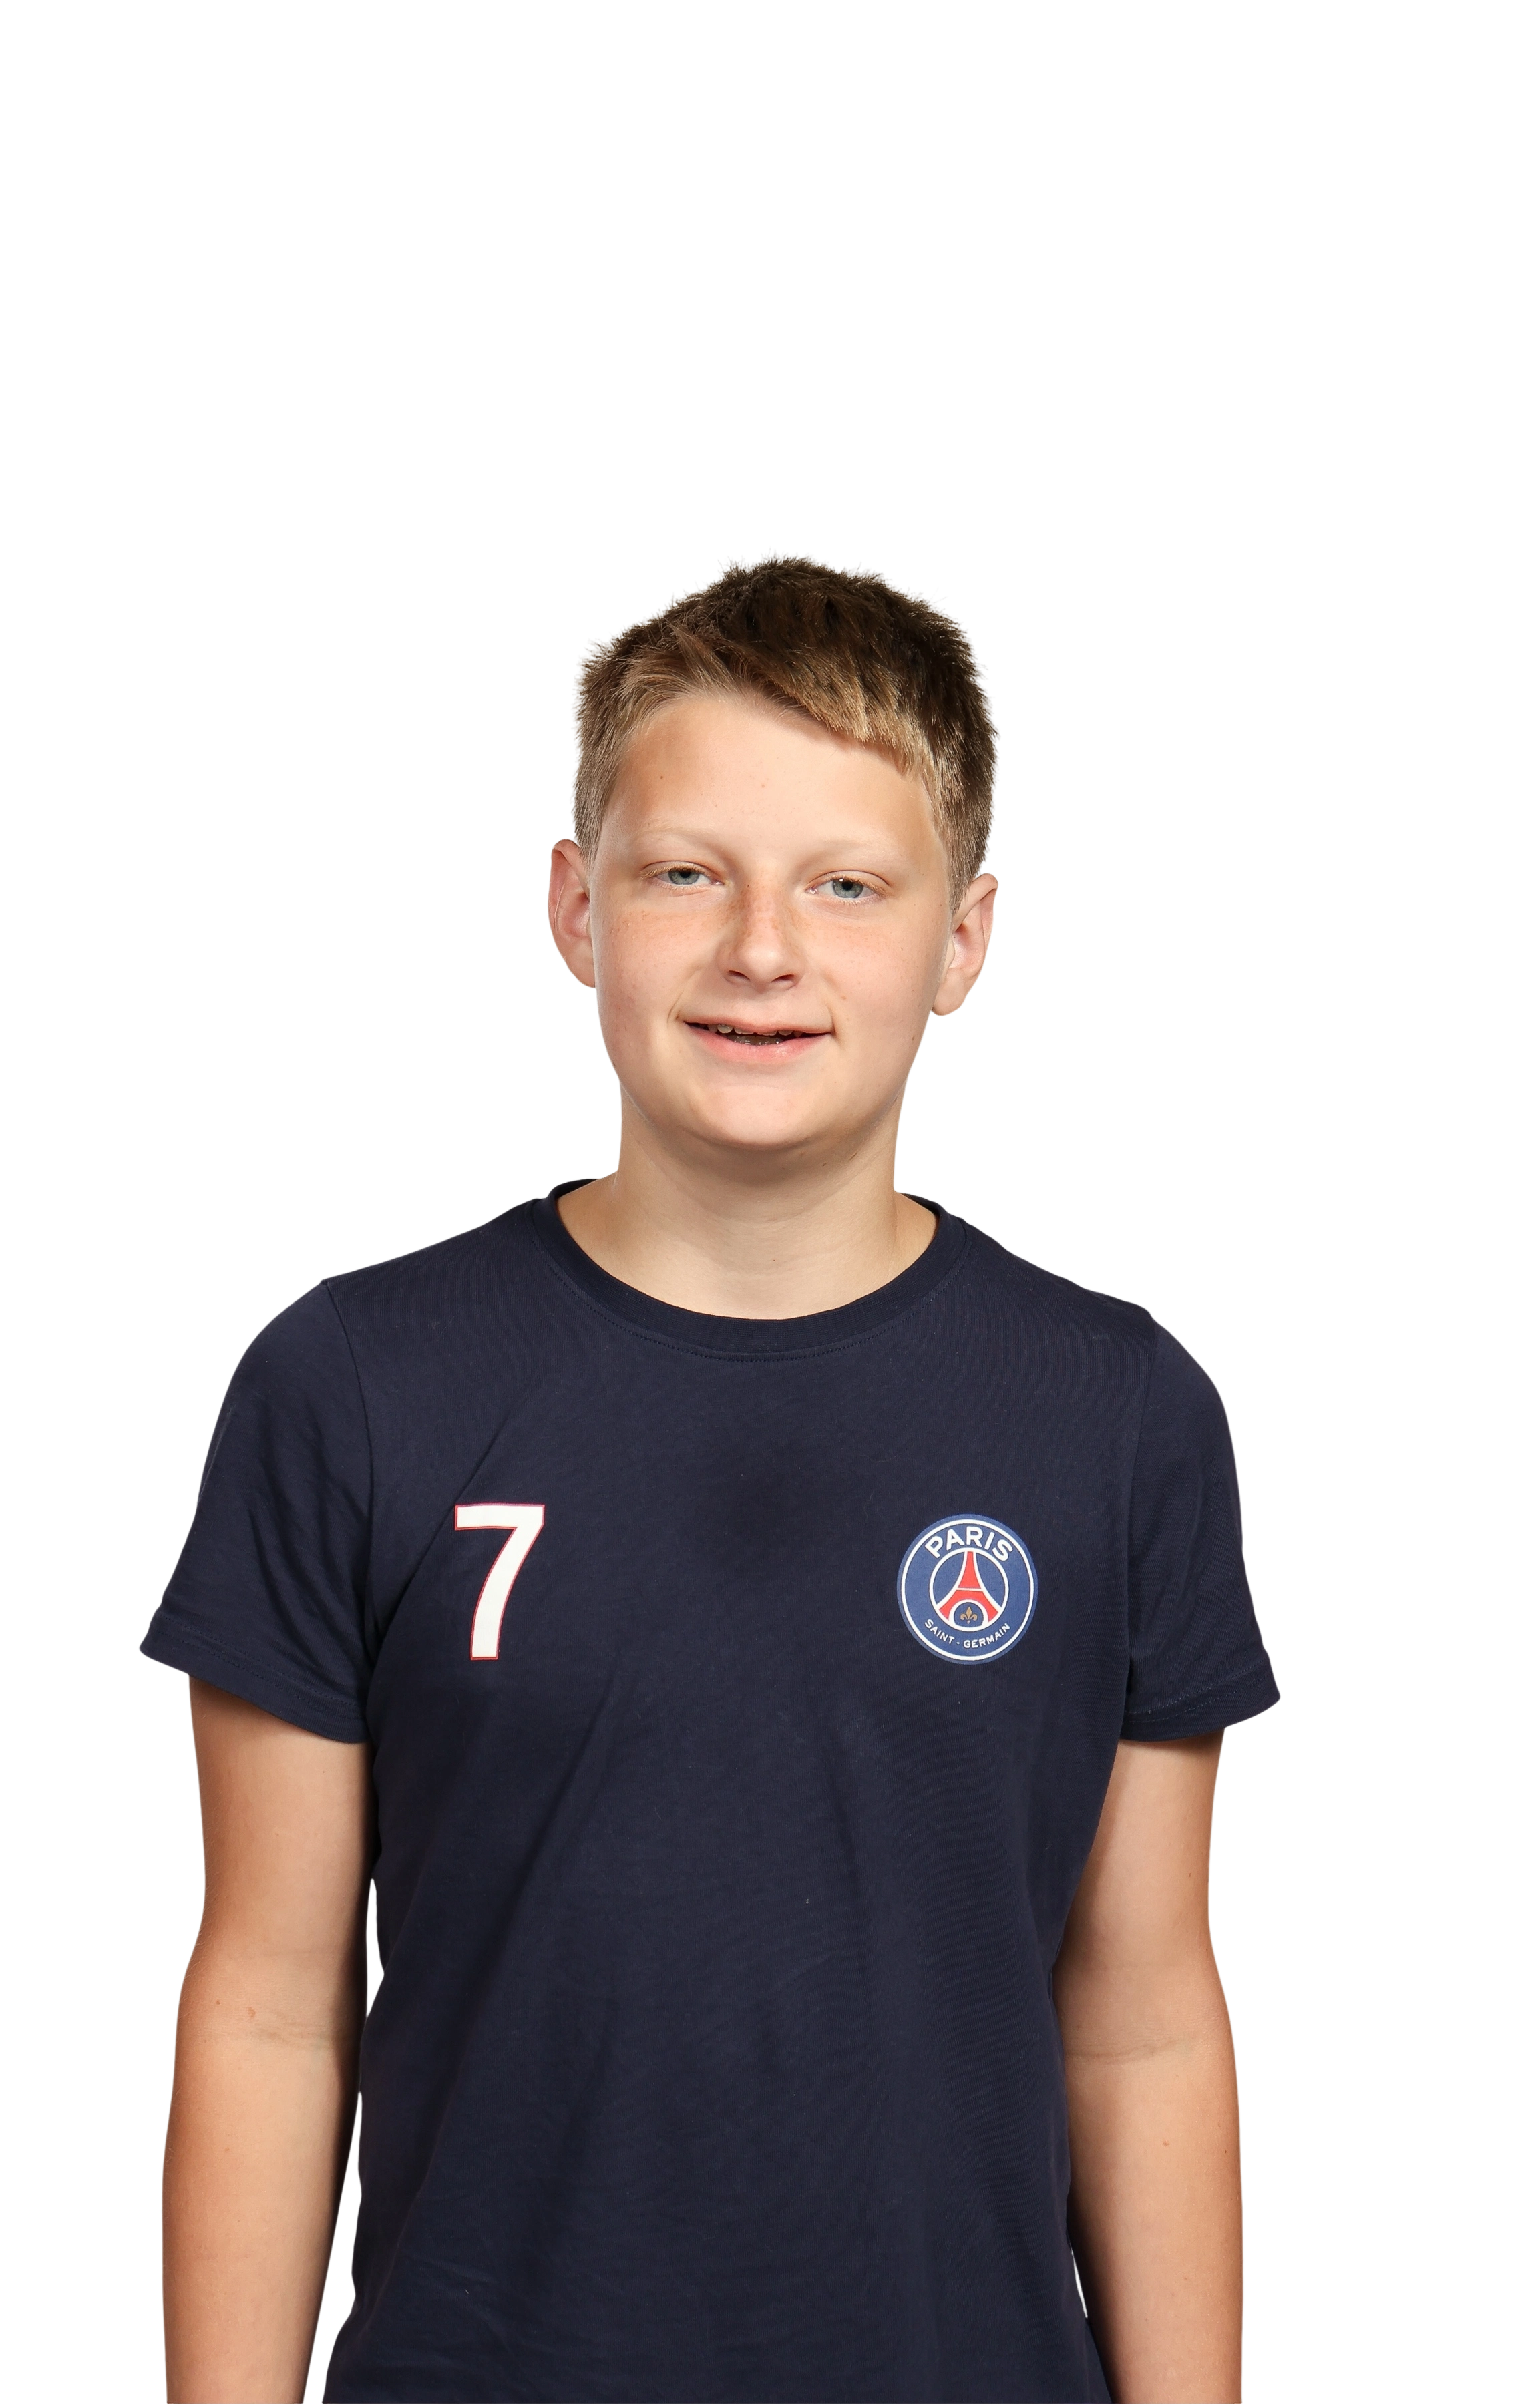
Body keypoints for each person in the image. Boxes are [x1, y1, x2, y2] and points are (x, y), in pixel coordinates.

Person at [140, 548, 1280, 2404]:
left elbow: (1142, 2016)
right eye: (689, 873)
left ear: (965, 939)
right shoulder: (353, 1383)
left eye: (849, 884)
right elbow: (270, 2003)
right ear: (574, 908)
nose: (764, 948)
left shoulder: (1119, 1410)